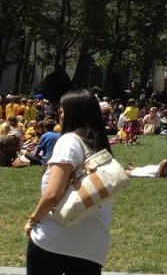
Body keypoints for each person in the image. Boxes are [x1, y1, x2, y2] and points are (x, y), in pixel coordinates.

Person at [24, 89, 115, 275]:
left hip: (55, 239)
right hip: (92, 244)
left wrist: (32, 220)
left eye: (62, 111)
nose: (60, 116)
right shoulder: (100, 148)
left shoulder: (69, 142)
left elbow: (53, 194)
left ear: (74, 114)